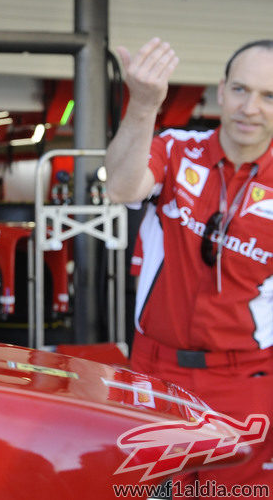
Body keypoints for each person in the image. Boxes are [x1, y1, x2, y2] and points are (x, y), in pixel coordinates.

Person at [105, 37, 273, 489]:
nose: (250, 107)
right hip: (156, 373)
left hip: (246, 379)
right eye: (240, 90)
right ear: (220, 91)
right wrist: (143, 105)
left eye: (268, 96)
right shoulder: (178, 149)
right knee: (139, 493)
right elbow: (121, 187)